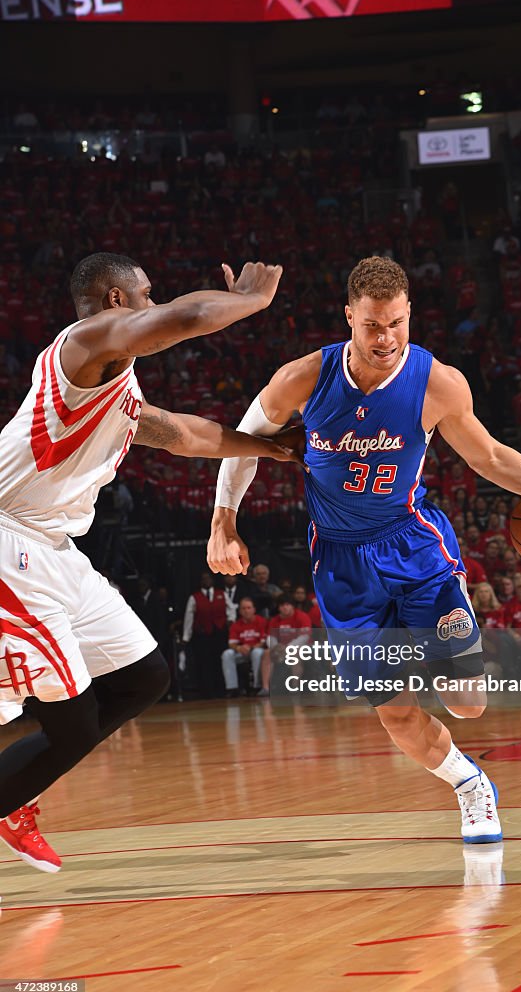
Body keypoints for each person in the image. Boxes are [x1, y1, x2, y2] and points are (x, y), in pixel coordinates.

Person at [207, 256, 521, 845]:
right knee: (394, 711)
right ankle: (471, 787)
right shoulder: (303, 378)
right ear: (349, 317)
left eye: (395, 322)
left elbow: (489, 458)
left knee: (467, 703)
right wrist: (223, 520)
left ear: (409, 314)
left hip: (414, 548)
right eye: (371, 325)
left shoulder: (437, 382)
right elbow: (243, 442)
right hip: (341, 562)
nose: (385, 337)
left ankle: (442, 646)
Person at [0, 252, 300, 872]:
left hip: (55, 549)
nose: (152, 301)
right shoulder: (79, 345)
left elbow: (181, 433)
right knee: (72, 723)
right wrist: (251, 301)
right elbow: (183, 317)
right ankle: (12, 796)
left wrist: (266, 449)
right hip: (11, 542)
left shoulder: (115, 384)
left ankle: (15, 791)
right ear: (116, 301)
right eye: (145, 293)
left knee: (143, 679)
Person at [182, 572, 229, 699]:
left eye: (208, 578)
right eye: (204, 579)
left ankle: (221, 690)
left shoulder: (222, 594)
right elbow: (189, 617)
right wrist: (186, 637)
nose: (207, 580)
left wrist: (230, 623)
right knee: (204, 663)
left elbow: (230, 611)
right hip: (202, 635)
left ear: (212, 580)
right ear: (200, 582)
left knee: (219, 662)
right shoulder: (194, 597)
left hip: (219, 633)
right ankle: (206, 692)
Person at [221, 597, 268, 696]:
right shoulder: (236, 625)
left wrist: (251, 647)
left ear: (254, 609)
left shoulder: (262, 621)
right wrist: (238, 648)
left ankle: (257, 686)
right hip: (242, 651)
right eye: (243, 608)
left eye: (248, 608)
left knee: (257, 653)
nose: (246, 611)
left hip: (257, 650)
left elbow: (264, 642)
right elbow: (231, 643)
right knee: (227, 654)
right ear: (240, 611)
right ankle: (232, 688)